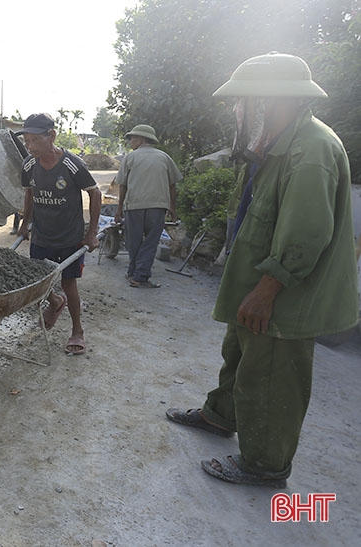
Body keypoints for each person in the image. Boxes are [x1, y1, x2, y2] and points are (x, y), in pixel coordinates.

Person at [166, 52, 359, 488]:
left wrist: (267, 290)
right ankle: (221, 416)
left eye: (243, 100)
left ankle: (265, 465)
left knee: (272, 378)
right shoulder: (275, 143)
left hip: (284, 295)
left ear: (272, 101)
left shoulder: (311, 150)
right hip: (257, 284)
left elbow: (304, 237)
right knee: (239, 355)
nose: (237, 110)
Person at [16, 113, 102, 355]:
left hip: (69, 236)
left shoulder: (72, 164)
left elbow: (95, 194)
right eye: (26, 142)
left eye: (34, 140)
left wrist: (91, 232)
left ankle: (77, 330)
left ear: (51, 136)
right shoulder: (29, 165)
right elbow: (30, 193)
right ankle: (55, 302)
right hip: (42, 234)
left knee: (68, 282)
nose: (29, 146)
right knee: (37, 279)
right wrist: (25, 223)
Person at [113, 124, 181, 288]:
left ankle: (137, 275)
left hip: (134, 206)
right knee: (150, 242)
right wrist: (173, 207)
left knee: (134, 241)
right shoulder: (164, 157)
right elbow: (173, 185)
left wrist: (119, 208)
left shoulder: (130, 158)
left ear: (142, 139)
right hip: (158, 207)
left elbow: (122, 185)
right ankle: (137, 274)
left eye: (133, 138)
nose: (131, 141)